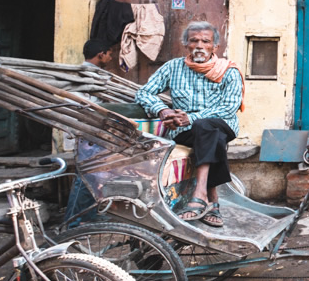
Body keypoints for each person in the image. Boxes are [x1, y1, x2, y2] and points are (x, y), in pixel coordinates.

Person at [135, 21, 243, 228]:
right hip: (185, 131)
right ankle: (213, 201)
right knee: (211, 136)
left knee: (206, 126)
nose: (199, 45)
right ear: (187, 45)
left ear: (215, 47)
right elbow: (143, 93)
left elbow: (229, 107)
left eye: (205, 41)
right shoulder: (173, 67)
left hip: (223, 124)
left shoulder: (229, 71)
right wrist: (163, 110)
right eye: (194, 41)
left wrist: (192, 118)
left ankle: (200, 193)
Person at [63, 39, 115, 227]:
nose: (110, 58)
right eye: (109, 54)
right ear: (101, 54)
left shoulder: (92, 75)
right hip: (85, 132)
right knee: (84, 176)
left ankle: (89, 216)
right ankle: (72, 222)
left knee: (95, 176)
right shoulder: (85, 76)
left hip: (92, 133)